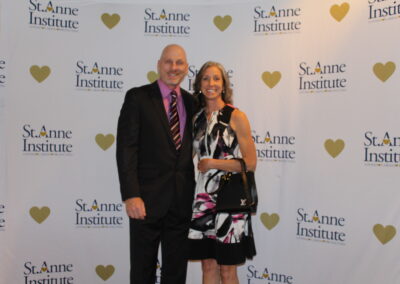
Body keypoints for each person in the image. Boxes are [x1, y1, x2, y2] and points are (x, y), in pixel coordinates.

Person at [116, 44, 195, 284]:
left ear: (186, 69)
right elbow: (126, 149)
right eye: (168, 62)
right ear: (159, 65)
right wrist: (131, 195)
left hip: (181, 201)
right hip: (145, 202)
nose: (174, 68)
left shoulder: (193, 103)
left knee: (176, 273)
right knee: (142, 271)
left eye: (179, 63)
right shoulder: (138, 98)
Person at [188, 61, 257, 284]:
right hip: (203, 200)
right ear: (199, 84)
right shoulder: (196, 119)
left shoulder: (235, 116)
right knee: (208, 265)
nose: (211, 83)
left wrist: (214, 163)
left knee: (227, 269)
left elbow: (250, 163)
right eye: (206, 78)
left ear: (224, 84)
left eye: (216, 78)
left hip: (230, 199)